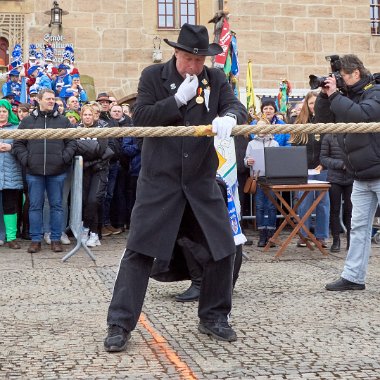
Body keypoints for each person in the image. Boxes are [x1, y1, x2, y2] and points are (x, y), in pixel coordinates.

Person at [104, 23, 248, 352]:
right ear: (176, 53)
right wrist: (176, 100)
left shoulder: (217, 79)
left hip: (200, 182)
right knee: (138, 252)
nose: (195, 67)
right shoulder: (153, 76)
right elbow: (140, 118)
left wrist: (230, 117)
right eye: (189, 59)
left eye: (200, 61)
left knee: (222, 248)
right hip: (161, 184)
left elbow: (237, 107)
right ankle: (119, 324)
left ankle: (213, 316)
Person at [312, 54, 380, 291]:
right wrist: (324, 95)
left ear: (356, 74)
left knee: (361, 226)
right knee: (358, 227)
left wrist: (335, 95)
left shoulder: (376, 92)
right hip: (360, 175)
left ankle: (353, 275)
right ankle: (353, 277)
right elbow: (322, 120)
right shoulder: (345, 96)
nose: (339, 80)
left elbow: (360, 116)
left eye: (342, 76)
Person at [12, 89, 77, 253]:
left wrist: (63, 158)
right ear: (39, 100)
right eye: (48, 99)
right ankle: (35, 240)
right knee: (35, 206)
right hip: (34, 172)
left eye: (53, 99)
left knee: (56, 206)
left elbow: (72, 143)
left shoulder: (63, 121)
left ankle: (55, 239)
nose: (51, 101)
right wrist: (28, 160)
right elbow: (18, 144)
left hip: (57, 172)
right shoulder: (27, 122)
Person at [290, 90, 330, 249]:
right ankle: (303, 235)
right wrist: (300, 166)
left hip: (321, 168)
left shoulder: (326, 121)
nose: (314, 106)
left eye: (316, 103)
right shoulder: (299, 123)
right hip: (304, 169)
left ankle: (321, 236)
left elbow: (330, 145)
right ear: (306, 104)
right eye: (311, 103)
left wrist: (323, 163)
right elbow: (294, 147)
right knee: (304, 202)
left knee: (323, 203)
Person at [75, 105, 114, 247]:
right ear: (81, 116)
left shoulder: (101, 130)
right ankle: (92, 232)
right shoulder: (75, 130)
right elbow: (75, 149)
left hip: (99, 170)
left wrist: (87, 152)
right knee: (85, 201)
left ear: (94, 116)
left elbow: (101, 150)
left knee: (94, 200)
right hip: (83, 171)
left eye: (89, 115)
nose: (87, 117)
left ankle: (89, 230)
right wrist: (91, 149)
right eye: (84, 115)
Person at [244, 126, 279, 247]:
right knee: (259, 207)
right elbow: (246, 159)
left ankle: (271, 234)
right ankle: (262, 234)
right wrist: (248, 161)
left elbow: (279, 159)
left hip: (271, 179)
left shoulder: (274, 143)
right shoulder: (251, 143)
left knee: (271, 207)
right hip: (258, 178)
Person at [320, 134, 353, 252]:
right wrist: (341, 164)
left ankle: (351, 241)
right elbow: (323, 158)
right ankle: (336, 241)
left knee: (351, 210)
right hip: (334, 178)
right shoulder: (329, 137)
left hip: (351, 177)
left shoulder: (353, 134)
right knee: (334, 209)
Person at [0, 99, 24, 249]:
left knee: (10, 206)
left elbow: (22, 147)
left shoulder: (17, 128)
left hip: (11, 173)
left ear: (9, 113)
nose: (1, 114)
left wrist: (10, 147)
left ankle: (11, 237)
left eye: (4, 111)